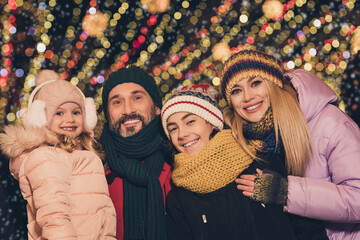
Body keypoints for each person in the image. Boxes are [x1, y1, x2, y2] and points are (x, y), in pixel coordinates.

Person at [220, 49, 360, 239]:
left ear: (275, 84)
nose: (247, 97)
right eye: (236, 91)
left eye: (256, 83)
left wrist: (286, 192)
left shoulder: (329, 123)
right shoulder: (244, 143)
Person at [161, 84, 299, 240]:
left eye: (190, 121)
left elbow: (306, 228)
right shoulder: (178, 199)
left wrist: (285, 193)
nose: (182, 134)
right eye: (173, 129)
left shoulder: (261, 162)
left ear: (212, 122)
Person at [0, 70, 116, 239]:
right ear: (40, 118)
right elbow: (54, 217)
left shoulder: (78, 154)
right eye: (59, 113)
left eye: (76, 112)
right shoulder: (47, 157)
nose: (69, 119)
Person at [99, 66, 172, 240]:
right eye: (117, 102)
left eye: (137, 98)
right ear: (108, 115)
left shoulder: (181, 157)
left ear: (156, 107)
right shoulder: (92, 167)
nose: (127, 110)